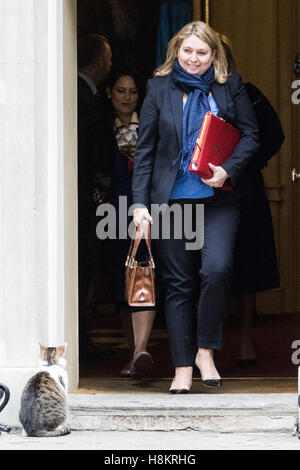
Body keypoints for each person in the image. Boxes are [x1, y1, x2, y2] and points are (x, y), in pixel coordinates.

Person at [131, 21, 260, 393]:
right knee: (178, 283)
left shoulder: (229, 86)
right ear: (177, 51)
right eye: (187, 51)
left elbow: (251, 135)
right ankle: (183, 365)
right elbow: (145, 151)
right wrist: (139, 205)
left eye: (202, 52)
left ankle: (206, 351)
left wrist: (227, 170)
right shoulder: (159, 88)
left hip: (219, 196)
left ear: (213, 55)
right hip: (171, 197)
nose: (194, 58)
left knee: (216, 270)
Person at [219, 34, 283, 365]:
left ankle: (246, 337)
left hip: (246, 189)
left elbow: (275, 134)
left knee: (248, 265)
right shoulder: (194, 96)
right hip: (204, 192)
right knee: (208, 269)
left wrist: (246, 162)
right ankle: (206, 344)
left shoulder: (250, 94)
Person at [103, 68, 156, 378]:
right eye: (121, 91)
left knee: (143, 277)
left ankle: (141, 351)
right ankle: (132, 352)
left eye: (133, 92)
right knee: (121, 283)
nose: (126, 97)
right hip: (109, 212)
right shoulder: (99, 127)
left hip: (145, 209)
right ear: (110, 93)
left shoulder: (148, 125)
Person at [77, 34, 114, 360]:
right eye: (109, 59)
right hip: (82, 200)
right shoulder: (83, 100)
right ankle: (79, 341)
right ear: (101, 62)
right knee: (81, 267)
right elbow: (91, 157)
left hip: (83, 199)